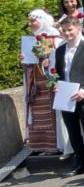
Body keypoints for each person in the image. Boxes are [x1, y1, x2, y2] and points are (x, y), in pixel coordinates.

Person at [53, 15, 84, 176]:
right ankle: (80, 162)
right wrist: (56, 86)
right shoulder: (60, 50)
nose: (67, 33)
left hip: (83, 95)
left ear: (78, 29)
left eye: (70, 30)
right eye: (64, 30)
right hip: (66, 95)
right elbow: (60, 74)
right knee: (72, 131)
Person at [21, 9, 62, 153]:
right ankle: (40, 145)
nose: (30, 24)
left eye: (33, 21)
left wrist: (48, 59)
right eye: (30, 21)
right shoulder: (31, 39)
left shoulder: (53, 36)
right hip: (35, 82)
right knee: (37, 114)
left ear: (42, 20)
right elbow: (29, 62)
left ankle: (54, 145)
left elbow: (59, 56)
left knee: (51, 112)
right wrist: (23, 59)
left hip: (49, 80)